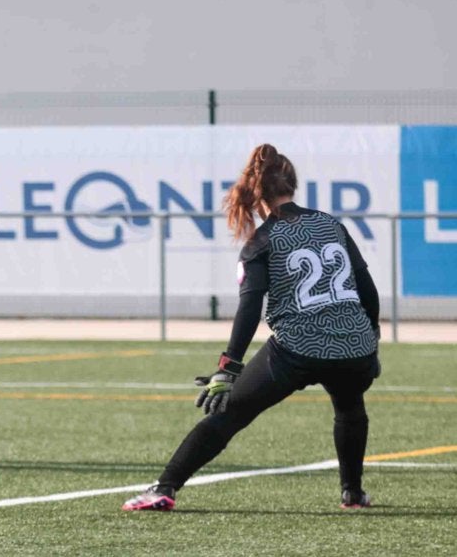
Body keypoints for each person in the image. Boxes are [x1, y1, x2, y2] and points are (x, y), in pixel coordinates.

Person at [122, 143, 381, 511]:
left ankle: (165, 488)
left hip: (297, 347)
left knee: (229, 415)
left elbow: (249, 309)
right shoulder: (330, 223)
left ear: (253, 193)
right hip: (354, 346)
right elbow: (366, 288)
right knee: (350, 408)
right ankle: (352, 493)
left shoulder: (262, 240)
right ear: (291, 185)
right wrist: (371, 342)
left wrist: (228, 368)